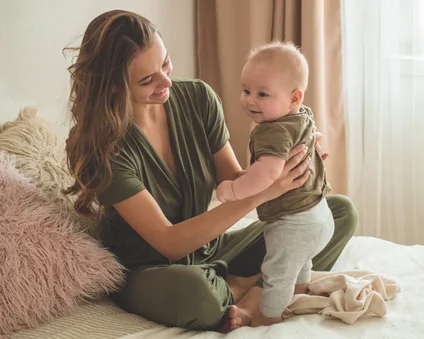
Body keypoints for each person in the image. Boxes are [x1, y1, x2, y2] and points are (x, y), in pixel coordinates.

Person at [62, 9, 357, 333]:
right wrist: (269, 190)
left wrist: (290, 167)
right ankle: (250, 286)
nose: (166, 82)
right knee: (197, 296)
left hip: (210, 247)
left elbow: (232, 180)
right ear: (112, 86)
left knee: (336, 213)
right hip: (152, 269)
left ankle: (250, 292)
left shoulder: (198, 98)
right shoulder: (101, 149)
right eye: (147, 80)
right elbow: (169, 243)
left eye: (165, 63)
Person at [215, 41, 334, 326]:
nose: (250, 101)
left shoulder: (273, 131)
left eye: (263, 94)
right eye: (246, 91)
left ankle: (268, 318)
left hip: (293, 222)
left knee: (278, 270)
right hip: (319, 215)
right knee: (299, 261)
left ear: (294, 97)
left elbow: (267, 174)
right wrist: (312, 143)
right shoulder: (302, 114)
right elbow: (312, 134)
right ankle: (299, 292)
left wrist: (233, 189)